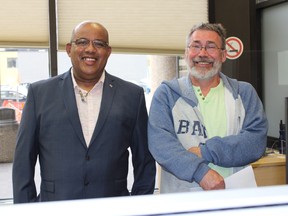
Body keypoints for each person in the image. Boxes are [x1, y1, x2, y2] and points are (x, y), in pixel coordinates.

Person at [12, 21, 156, 203]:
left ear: (108, 52)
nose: (90, 49)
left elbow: (144, 161)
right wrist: (26, 211)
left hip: (114, 209)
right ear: (69, 49)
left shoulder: (132, 96)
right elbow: (23, 162)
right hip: (54, 209)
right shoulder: (39, 94)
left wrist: (139, 207)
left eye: (99, 44)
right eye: (82, 42)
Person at [148, 23, 268, 193]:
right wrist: (201, 172)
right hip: (182, 201)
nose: (202, 54)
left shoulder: (244, 92)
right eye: (196, 46)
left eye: (211, 47)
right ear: (186, 53)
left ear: (223, 55)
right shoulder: (166, 94)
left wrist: (206, 152)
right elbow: (161, 145)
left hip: (234, 197)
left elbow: (255, 142)